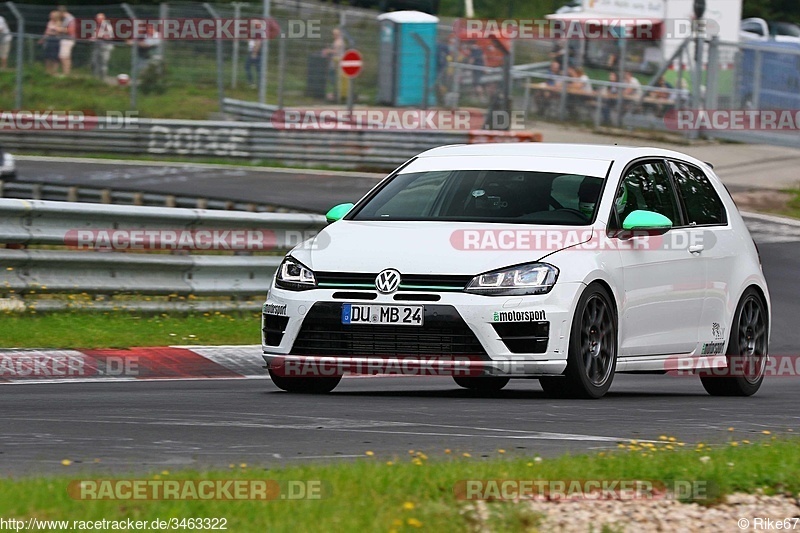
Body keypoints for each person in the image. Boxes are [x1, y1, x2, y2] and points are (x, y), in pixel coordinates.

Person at [321, 27, 345, 101]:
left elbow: (336, 51)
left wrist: (328, 51)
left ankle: (335, 94)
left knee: (333, 78)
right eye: (333, 34)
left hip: (337, 62)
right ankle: (335, 93)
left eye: (335, 34)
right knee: (333, 77)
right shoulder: (337, 41)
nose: (334, 35)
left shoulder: (339, 42)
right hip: (335, 62)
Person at [90, 13, 114, 80]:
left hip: (105, 47)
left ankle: (103, 78)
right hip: (97, 46)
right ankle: (94, 78)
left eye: (99, 19)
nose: (97, 20)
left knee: (103, 63)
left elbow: (108, 37)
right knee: (94, 62)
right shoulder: (96, 26)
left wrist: (99, 36)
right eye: (97, 19)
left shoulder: (107, 26)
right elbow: (94, 36)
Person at [39, 10, 62, 76]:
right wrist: (43, 39)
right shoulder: (49, 23)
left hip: (55, 40)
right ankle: (48, 70)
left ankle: (54, 71)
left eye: (51, 15)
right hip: (49, 40)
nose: (50, 16)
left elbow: (58, 32)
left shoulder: (59, 23)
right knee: (48, 56)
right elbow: (47, 32)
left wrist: (52, 31)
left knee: (54, 57)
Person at [57, 5, 76, 76]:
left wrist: (60, 29)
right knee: (64, 57)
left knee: (64, 57)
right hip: (65, 39)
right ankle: (65, 72)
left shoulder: (69, 19)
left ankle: (66, 73)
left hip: (68, 40)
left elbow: (71, 30)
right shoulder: (65, 19)